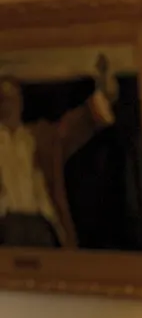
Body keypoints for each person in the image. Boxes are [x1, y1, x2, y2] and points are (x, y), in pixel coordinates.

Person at [0, 54, 117, 247]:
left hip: (41, 225)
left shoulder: (40, 137)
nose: (6, 104)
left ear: (20, 102)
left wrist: (104, 92)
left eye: (11, 97)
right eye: (2, 98)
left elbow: (76, 125)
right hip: (5, 227)